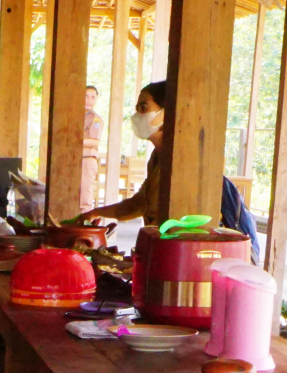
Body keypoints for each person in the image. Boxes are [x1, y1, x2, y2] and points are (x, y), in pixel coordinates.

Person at [82, 80, 259, 259]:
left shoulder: (184, 159)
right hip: (164, 250)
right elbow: (140, 204)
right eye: (137, 108)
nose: (137, 115)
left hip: (188, 258)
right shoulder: (157, 157)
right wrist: (96, 212)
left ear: (167, 112)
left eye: (144, 108)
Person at [80, 85, 105, 210]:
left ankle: (85, 226)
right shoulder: (76, 116)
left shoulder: (96, 119)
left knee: (84, 199)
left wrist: (75, 142)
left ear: (96, 100)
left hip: (87, 159)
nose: (88, 100)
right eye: (85, 96)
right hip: (74, 159)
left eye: (92, 97)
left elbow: (95, 141)